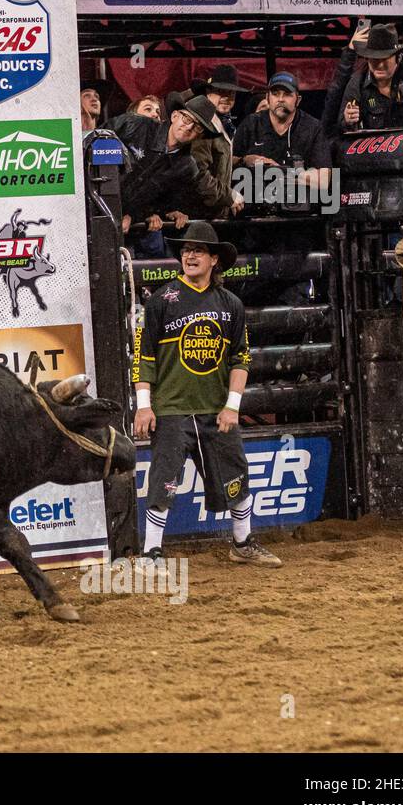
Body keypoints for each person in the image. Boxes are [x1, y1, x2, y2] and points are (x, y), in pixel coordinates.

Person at [131, 221, 282, 569]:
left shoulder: (231, 304)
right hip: (171, 409)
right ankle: (151, 552)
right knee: (163, 479)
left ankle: (243, 543)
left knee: (235, 474)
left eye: (197, 250)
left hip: (216, 411)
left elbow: (240, 357)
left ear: (214, 259)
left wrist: (232, 406)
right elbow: (145, 357)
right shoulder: (161, 301)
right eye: (185, 250)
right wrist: (144, 407)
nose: (190, 255)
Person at [107, 94, 220, 258]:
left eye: (197, 127)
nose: (189, 127)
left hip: (129, 230)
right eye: (187, 119)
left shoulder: (187, 167)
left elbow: (162, 205)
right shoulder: (136, 125)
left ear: (200, 135)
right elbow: (90, 141)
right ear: (175, 116)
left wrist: (135, 215)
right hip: (92, 209)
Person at [232, 72, 333, 191]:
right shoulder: (251, 124)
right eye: (275, 94)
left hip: (298, 202)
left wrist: (279, 172)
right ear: (267, 98)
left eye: (287, 94)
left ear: (298, 100)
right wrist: (244, 160)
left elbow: (324, 180)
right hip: (256, 201)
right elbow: (227, 163)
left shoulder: (313, 127)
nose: (280, 99)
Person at [340, 23, 403, 132]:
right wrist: (348, 120)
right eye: (375, 60)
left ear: (397, 58)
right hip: (376, 145)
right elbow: (342, 124)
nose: (380, 65)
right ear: (367, 58)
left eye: (385, 59)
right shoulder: (358, 80)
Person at [181, 65, 247, 219]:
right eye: (220, 91)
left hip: (215, 213)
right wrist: (228, 195)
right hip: (198, 215)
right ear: (208, 93)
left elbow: (216, 161)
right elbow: (197, 173)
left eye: (231, 93)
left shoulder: (224, 124)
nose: (226, 97)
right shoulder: (202, 125)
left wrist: (242, 160)